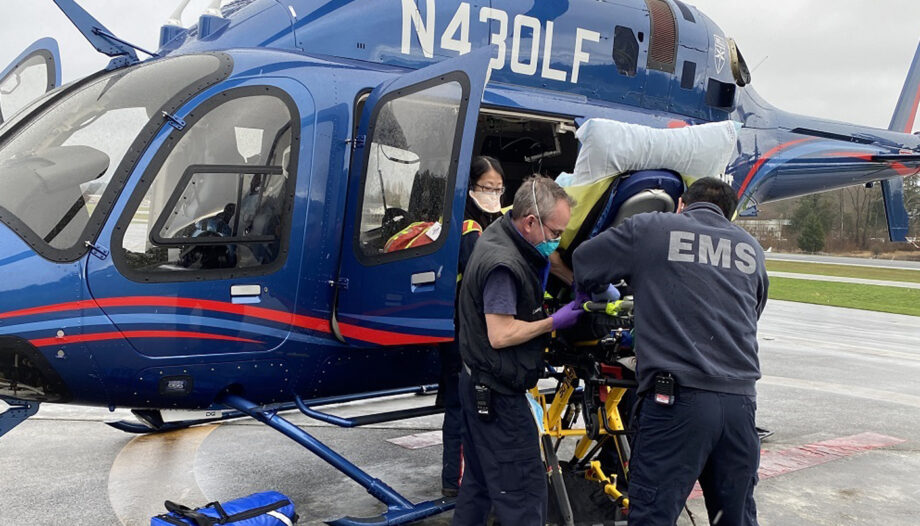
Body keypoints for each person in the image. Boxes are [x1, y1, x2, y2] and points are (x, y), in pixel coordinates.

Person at [572, 177, 769, 526]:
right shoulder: (749, 247)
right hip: (740, 405)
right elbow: (751, 311)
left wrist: (607, 294)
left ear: (680, 204)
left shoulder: (654, 228)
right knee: (734, 517)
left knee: (654, 515)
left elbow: (584, 261)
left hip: (679, 403)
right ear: (730, 215)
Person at [453, 175, 584, 526]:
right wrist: (555, 321)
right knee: (523, 495)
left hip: (477, 384)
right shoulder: (503, 265)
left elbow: (548, 262)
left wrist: (574, 282)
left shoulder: (502, 232)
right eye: (555, 233)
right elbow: (501, 333)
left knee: (478, 487)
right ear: (530, 222)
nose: (557, 242)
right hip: (497, 395)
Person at [439, 156, 506, 498]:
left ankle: (458, 479)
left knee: (464, 405)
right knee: (464, 407)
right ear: (470, 188)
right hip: (466, 333)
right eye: (485, 188)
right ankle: (457, 481)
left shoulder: (492, 224)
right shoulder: (469, 229)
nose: (493, 194)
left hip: (467, 329)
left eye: (498, 188)